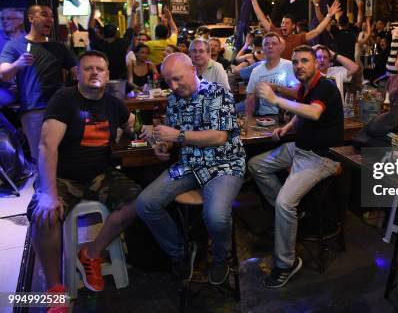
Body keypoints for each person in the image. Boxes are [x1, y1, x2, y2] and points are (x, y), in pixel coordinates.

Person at [27, 51, 140, 303]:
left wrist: (143, 132)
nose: (95, 72)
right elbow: (47, 146)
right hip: (62, 176)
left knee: (140, 202)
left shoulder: (113, 102)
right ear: (77, 73)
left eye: (100, 69)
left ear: (108, 75)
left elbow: (133, 123)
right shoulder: (64, 99)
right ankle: (54, 290)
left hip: (100, 174)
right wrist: (48, 194)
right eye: (88, 68)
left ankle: (92, 253)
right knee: (44, 214)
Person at [136, 53, 245, 284]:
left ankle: (220, 259)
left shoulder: (218, 93)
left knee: (215, 216)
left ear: (193, 70)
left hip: (223, 165)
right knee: (145, 204)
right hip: (189, 165)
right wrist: (162, 146)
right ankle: (182, 252)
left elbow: (219, 136)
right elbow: (173, 136)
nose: (173, 86)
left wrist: (178, 135)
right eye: (169, 82)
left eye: (177, 79)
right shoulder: (175, 99)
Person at [247, 45, 343, 288]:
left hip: (321, 157)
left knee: (283, 202)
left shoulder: (326, 86)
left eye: (304, 61)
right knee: (256, 165)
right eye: (296, 62)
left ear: (315, 64)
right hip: (298, 149)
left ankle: (286, 264)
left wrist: (274, 98)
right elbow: (301, 114)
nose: (299, 66)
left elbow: (312, 112)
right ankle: (293, 215)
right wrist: (287, 128)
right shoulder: (306, 87)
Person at [0, 5, 76, 162]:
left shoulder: (59, 47)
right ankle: (43, 186)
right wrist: (18, 64)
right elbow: (4, 74)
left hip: (60, 109)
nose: (50, 19)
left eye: (52, 16)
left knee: (64, 155)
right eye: (44, 15)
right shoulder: (14, 46)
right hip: (33, 110)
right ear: (31, 18)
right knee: (41, 157)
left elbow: (78, 72)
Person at [245, 0, 342, 60]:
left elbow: (317, 31)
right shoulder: (276, 32)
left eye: (287, 23)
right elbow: (261, 18)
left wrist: (329, 15)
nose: (283, 25)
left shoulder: (299, 38)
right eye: (283, 23)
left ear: (293, 26)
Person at [245, 32, 299, 121]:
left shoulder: (290, 66)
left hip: (287, 116)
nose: (270, 46)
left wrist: (275, 87)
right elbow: (250, 97)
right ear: (263, 48)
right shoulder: (256, 71)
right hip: (264, 117)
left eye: (274, 44)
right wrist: (249, 120)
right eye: (266, 44)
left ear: (280, 47)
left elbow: (297, 94)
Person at [88, 0, 134, 81]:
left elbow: (90, 28)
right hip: (120, 79)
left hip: (101, 78)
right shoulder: (122, 43)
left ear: (103, 34)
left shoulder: (98, 44)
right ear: (116, 34)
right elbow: (130, 29)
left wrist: (92, 10)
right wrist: (133, 10)